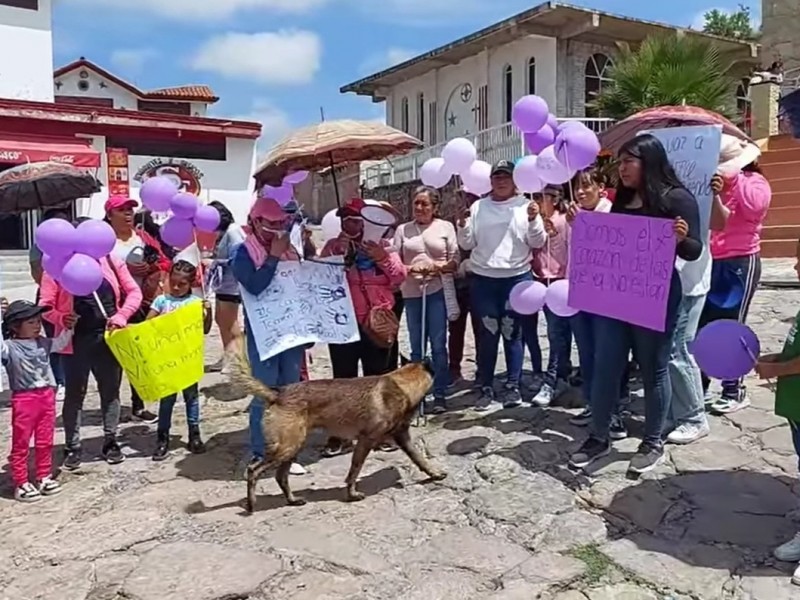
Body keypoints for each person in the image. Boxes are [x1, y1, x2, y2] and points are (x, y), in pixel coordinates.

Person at [569, 134, 702, 474]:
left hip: (655, 296)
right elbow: (612, 245)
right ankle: (599, 436)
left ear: (649, 162)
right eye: (621, 161)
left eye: (629, 161)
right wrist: (582, 228)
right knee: (606, 366)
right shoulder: (622, 199)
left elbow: (694, 250)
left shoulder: (678, 199)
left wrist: (681, 238)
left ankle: (652, 440)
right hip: (616, 295)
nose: (621, 168)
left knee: (653, 367)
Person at [40, 238, 143, 470]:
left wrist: (122, 315)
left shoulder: (111, 261)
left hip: (108, 338)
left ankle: (110, 440)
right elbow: (45, 304)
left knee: (111, 391)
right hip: (74, 341)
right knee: (75, 394)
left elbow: (134, 292)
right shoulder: (57, 266)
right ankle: (72, 446)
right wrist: (60, 317)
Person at [456, 159, 547, 410]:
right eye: (497, 176)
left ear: (515, 179)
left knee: (513, 333)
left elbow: (537, 241)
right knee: (487, 335)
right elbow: (466, 244)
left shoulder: (525, 205)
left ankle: (512, 385)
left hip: (516, 278)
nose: (501, 180)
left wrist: (534, 219)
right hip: (484, 280)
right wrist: (462, 226)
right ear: (490, 180)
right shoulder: (478, 207)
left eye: (506, 176)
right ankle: (485, 385)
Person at [320, 197, 407, 455]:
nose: (350, 223)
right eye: (345, 218)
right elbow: (321, 278)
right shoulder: (332, 246)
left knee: (377, 378)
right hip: (343, 322)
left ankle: (379, 432)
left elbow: (400, 276)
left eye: (355, 218)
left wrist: (382, 258)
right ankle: (340, 435)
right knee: (342, 381)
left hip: (377, 321)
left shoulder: (383, 246)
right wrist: (338, 257)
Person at [232, 196, 309, 476]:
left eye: (282, 223)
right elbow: (254, 286)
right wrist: (274, 256)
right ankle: (258, 452)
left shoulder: (291, 249)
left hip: (291, 332)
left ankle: (288, 451)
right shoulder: (242, 252)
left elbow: (302, 284)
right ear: (255, 222)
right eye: (271, 224)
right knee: (265, 392)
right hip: (263, 333)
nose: (278, 228)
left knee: (292, 393)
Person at [699, 136, 771, 414]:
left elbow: (755, 210)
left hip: (741, 260)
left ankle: (734, 387)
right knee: (705, 325)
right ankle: (702, 383)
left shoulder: (754, 182)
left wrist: (736, 180)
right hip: (711, 260)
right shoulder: (712, 186)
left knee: (733, 325)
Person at [665, 161, 732, 444]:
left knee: (678, 348)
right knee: (669, 349)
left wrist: (715, 194)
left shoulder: (703, 184)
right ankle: (677, 409)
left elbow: (719, 223)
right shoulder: (659, 190)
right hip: (665, 282)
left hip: (690, 280)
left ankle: (694, 416)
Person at [566, 167, 629, 438]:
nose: (581, 192)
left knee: (609, 356)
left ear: (600, 188)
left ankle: (614, 411)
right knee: (587, 353)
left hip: (608, 297)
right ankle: (593, 403)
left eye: (587, 186)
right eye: (578, 187)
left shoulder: (612, 212)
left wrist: (581, 225)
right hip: (581, 292)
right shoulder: (574, 215)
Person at [394, 186, 459, 413]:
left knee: (439, 344)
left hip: (437, 291)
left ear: (435, 207)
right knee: (416, 346)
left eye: (425, 204)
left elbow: (455, 260)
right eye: (416, 204)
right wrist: (410, 269)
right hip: (412, 293)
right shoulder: (403, 230)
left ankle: (439, 392)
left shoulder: (445, 227)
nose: (419, 208)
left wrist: (436, 267)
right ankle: (417, 394)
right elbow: (394, 262)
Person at [106, 196, 171, 423]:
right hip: (114, 306)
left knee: (139, 357)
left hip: (141, 304)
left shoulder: (142, 238)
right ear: (109, 215)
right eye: (121, 210)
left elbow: (165, 262)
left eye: (130, 210)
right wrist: (123, 270)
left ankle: (138, 405)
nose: (127, 214)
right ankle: (110, 409)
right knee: (113, 362)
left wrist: (150, 266)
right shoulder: (104, 241)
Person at [1, 300, 73, 502]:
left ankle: (43, 476)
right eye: (31, 322)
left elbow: (60, 343)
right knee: (21, 442)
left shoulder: (43, 342)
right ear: (15, 326)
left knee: (45, 440)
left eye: (37, 321)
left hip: (46, 397)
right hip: (24, 399)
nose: (37, 325)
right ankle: (21, 482)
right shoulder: (9, 348)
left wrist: (68, 328)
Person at [147, 260, 213, 461]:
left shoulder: (194, 303)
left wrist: (207, 312)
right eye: (173, 283)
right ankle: (162, 437)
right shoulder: (161, 302)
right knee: (167, 400)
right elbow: (148, 324)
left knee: (191, 398)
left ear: (191, 284)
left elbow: (206, 329)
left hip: (188, 359)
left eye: (181, 284)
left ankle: (194, 434)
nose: (176, 288)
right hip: (167, 359)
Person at [530, 185, 573, 407]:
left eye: (541, 197)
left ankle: (553, 380)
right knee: (557, 333)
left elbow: (569, 252)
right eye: (535, 196)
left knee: (557, 334)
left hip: (559, 283)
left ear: (554, 200)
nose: (536, 201)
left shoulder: (565, 221)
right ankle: (562, 374)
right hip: (540, 280)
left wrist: (566, 283)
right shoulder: (535, 222)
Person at [29, 206, 71, 401]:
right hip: (49, 293)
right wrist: (50, 282)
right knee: (53, 340)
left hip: (70, 292)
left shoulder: (73, 243)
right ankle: (60, 380)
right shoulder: (39, 245)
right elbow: (36, 270)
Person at [205, 201, 245, 373]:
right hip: (223, 285)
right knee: (220, 320)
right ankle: (228, 355)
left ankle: (237, 359)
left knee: (230, 322)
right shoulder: (223, 233)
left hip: (232, 285)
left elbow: (239, 258)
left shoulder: (233, 231)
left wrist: (214, 262)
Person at [449, 187, 482, 385]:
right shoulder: (450, 220)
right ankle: (454, 369)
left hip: (478, 279)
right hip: (456, 281)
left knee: (480, 328)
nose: (465, 201)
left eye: (469, 197)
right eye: (461, 196)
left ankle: (481, 368)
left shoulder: (481, 218)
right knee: (455, 327)